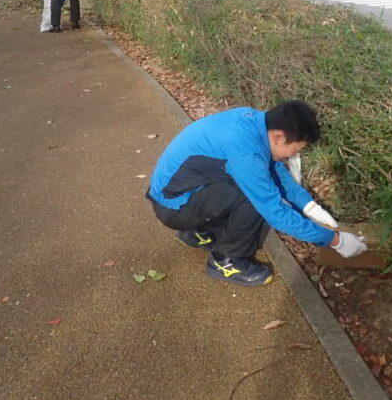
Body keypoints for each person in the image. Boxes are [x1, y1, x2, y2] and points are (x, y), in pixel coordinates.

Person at [147, 100, 367, 287]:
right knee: (253, 196)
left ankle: (196, 232)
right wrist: (334, 241)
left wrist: (310, 207)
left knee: (250, 182)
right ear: (279, 137)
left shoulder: (252, 120)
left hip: (177, 195)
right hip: (175, 207)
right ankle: (227, 261)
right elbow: (275, 212)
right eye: (297, 149)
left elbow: (275, 170)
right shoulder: (246, 153)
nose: (293, 155)